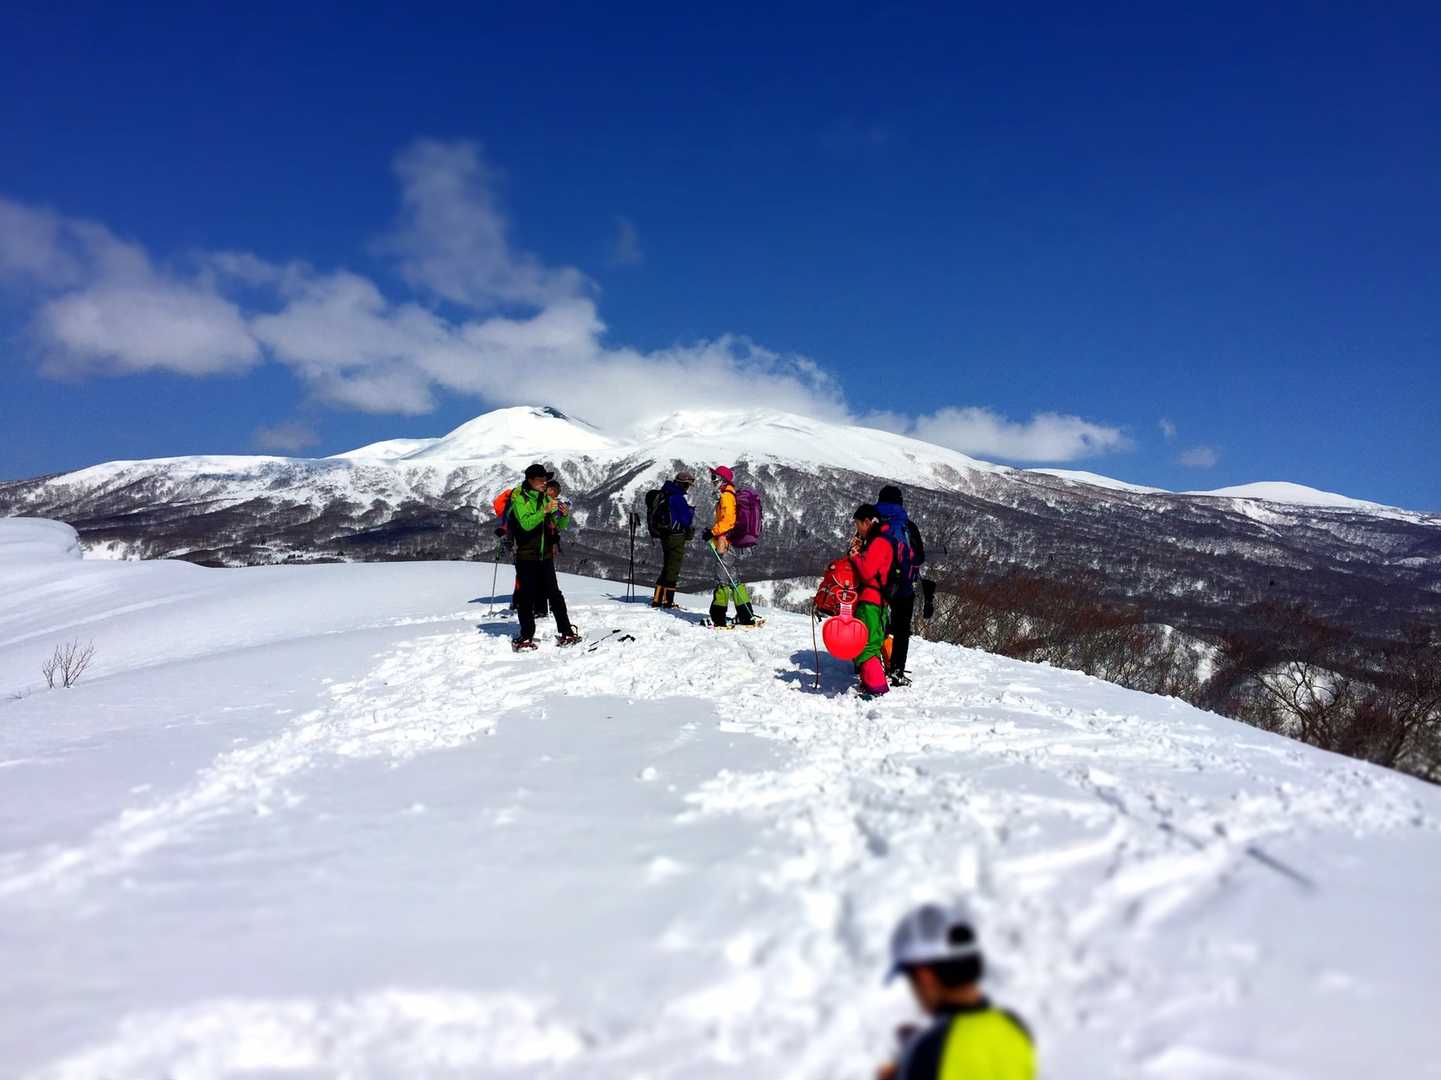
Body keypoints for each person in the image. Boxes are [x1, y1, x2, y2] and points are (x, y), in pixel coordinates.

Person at [878, 901, 1036, 1080]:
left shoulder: (927, 1052)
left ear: (924, 976)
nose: (914, 993)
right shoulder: (1015, 1027)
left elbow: (943, 1054)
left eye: (910, 980)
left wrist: (908, 1062)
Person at [506, 464, 581, 651]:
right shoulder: (520, 500)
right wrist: (544, 511)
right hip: (526, 556)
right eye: (540, 480)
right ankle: (526, 635)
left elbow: (558, 525)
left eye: (545, 480)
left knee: (554, 594)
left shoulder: (546, 498)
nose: (544, 483)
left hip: (545, 555)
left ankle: (566, 631)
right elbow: (526, 524)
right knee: (526, 596)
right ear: (530, 480)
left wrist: (564, 515)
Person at [875, 485, 926, 687]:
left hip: (875, 584)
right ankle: (897, 671)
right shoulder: (908, 525)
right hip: (903, 586)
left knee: (872, 623)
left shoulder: (871, 522)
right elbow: (919, 557)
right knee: (902, 630)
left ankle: (867, 665)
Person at [701, 465, 757, 627]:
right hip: (728, 541)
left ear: (723, 480)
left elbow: (728, 521)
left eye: (714, 477)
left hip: (725, 542)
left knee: (722, 580)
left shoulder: (727, 496)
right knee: (733, 579)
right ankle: (746, 616)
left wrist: (712, 532)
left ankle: (717, 618)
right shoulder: (727, 494)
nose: (712, 481)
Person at [850, 504, 893, 695]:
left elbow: (867, 572)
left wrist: (855, 557)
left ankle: (876, 687)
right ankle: (871, 683)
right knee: (871, 643)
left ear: (867, 522)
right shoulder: (879, 540)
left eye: (858, 524)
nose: (857, 529)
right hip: (878, 601)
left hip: (871, 601)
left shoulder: (879, 543)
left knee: (866, 645)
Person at [650, 470, 696, 609]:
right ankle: (667, 601)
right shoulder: (677, 498)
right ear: (681, 484)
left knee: (666, 567)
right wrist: (691, 511)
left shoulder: (666, 493)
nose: (687, 488)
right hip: (676, 536)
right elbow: (685, 520)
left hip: (665, 534)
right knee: (673, 568)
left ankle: (658, 599)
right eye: (687, 485)